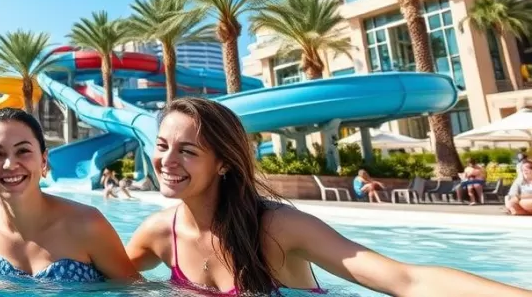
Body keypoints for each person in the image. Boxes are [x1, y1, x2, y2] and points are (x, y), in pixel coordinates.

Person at [125, 97, 529, 296]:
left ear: (224, 164)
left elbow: (406, 279)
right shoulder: (159, 233)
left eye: (188, 151)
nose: (167, 160)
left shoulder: (279, 226)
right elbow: (106, 277)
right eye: (162, 145)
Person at [0, 108, 137, 282]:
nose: (10, 164)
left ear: (43, 160)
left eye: (23, 151)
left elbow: (135, 290)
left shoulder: (87, 224)